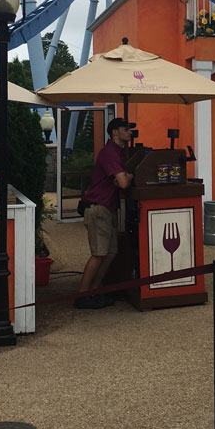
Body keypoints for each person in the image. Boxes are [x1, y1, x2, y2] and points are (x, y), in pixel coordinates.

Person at [75, 117, 134, 308]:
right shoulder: (109, 152)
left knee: (110, 253)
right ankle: (83, 296)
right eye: (126, 129)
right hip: (99, 207)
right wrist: (129, 175)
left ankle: (95, 291)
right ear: (115, 132)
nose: (130, 132)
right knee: (99, 254)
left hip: (107, 207)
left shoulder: (117, 152)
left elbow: (119, 181)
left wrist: (123, 177)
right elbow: (123, 182)